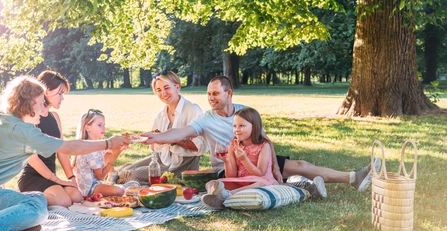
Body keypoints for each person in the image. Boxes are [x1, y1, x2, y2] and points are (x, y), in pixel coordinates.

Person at [0, 75, 130, 231]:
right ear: (28, 103)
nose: (43, 107)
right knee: (37, 209)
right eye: (40, 102)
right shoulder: (23, 131)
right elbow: (70, 147)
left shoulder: (0, 118)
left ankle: (12, 224)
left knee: (37, 197)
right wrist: (107, 144)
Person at [142, 75, 378, 193]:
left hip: (257, 158)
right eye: (208, 94)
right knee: (261, 181)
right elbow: (180, 132)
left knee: (299, 163)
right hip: (230, 168)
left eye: (215, 93)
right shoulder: (206, 118)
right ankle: (303, 188)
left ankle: (352, 178)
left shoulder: (246, 113)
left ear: (229, 93)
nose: (211, 98)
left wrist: (274, 164)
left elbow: (264, 141)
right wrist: (155, 137)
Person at [117, 70, 207, 185]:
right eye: (159, 90)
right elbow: (156, 145)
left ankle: (140, 184)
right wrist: (150, 139)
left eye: (167, 88)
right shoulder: (161, 114)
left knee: (132, 175)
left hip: (182, 164)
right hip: (162, 159)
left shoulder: (192, 109)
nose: (163, 93)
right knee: (124, 170)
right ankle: (120, 180)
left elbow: (199, 147)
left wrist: (166, 138)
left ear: (177, 87)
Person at [17, 70, 82, 208]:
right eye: (59, 93)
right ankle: (19, 199)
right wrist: (55, 179)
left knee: (76, 196)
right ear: (46, 91)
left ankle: (52, 193)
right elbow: (31, 157)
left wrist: (71, 178)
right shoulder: (32, 118)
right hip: (32, 177)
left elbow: (62, 151)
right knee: (64, 201)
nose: (62, 98)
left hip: (51, 176)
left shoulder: (54, 117)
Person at [72, 109, 128, 197]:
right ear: (87, 128)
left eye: (104, 125)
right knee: (120, 191)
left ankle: (111, 178)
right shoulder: (90, 149)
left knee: (108, 153)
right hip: (89, 189)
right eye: (99, 125)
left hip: (93, 185)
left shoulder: (92, 144)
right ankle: (111, 180)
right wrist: (115, 156)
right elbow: (101, 176)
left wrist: (118, 147)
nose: (104, 128)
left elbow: (108, 151)